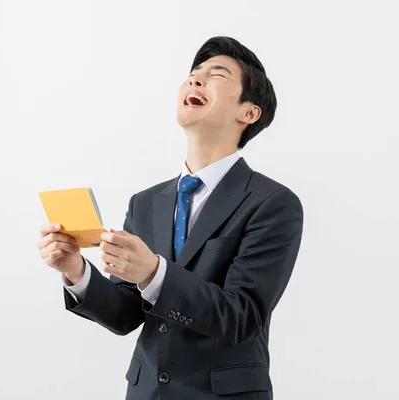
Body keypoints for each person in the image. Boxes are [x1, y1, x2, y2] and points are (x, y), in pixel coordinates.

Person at [37, 36, 304, 400]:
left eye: (216, 75)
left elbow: (242, 317)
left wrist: (154, 272)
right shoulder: (146, 203)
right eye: (193, 74)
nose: (195, 80)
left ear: (248, 112)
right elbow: (125, 314)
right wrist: (77, 272)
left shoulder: (273, 203)